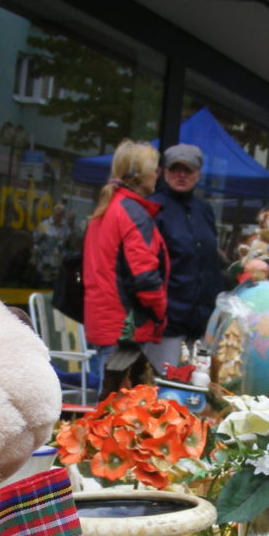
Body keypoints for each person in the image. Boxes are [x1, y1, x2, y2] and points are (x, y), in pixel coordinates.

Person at [82, 139, 168, 396]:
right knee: (118, 414)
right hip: (125, 326)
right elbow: (145, 278)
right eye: (154, 169)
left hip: (104, 321)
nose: (158, 174)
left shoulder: (109, 208)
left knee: (103, 411)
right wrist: (160, 314)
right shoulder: (132, 213)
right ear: (142, 175)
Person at [147, 143, 226, 369]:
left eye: (188, 170)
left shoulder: (204, 209)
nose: (181, 175)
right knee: (164, 386)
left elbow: (210, 260)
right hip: (167, 320)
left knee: (195, 389)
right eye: (175, 169)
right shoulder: (154, 206)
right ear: (164, 172)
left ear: (198, 174)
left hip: (202, 319)